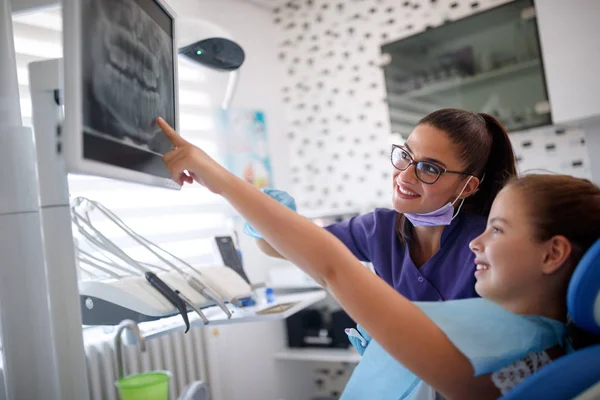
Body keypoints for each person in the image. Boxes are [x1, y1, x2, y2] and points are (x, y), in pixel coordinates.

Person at [157, 116, 600, 399]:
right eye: (405, 156)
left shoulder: (514, 341)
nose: (478, 243)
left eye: (428, 167)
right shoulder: (545, 345)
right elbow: (307, 252)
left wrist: (220, 178)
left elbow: (331, 266)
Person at [252, 108, 517, 303]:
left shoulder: (487, 243)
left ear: (466, 187)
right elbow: (285, 247)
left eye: (428, 168)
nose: (404, 176)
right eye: (405, 156)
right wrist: (263, 217)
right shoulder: (379, 229)